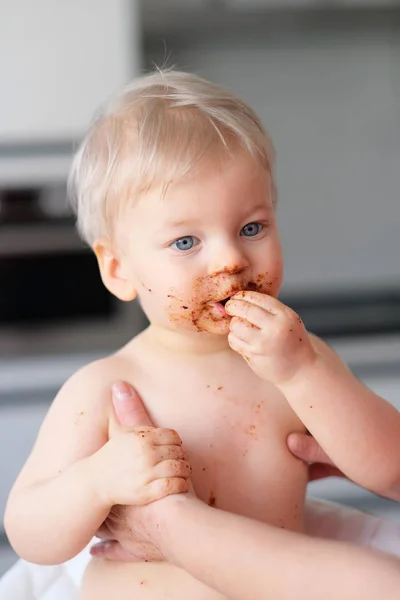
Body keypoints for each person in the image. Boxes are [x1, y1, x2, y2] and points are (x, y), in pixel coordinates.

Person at [4, 68, 400, 600]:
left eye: (251, 228)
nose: (231, 259)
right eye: (186, 241)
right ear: (119, 269)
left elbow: (388, 467)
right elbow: (29, 531)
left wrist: (307, 373)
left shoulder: (295, 361)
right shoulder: (110, 386)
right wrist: (95, 481)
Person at [82, 383, 400, 600]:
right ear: (120, 279)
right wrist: (95, 482)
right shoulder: (105, 384)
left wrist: (167, 524)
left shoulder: (303, 354)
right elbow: (35, 534)